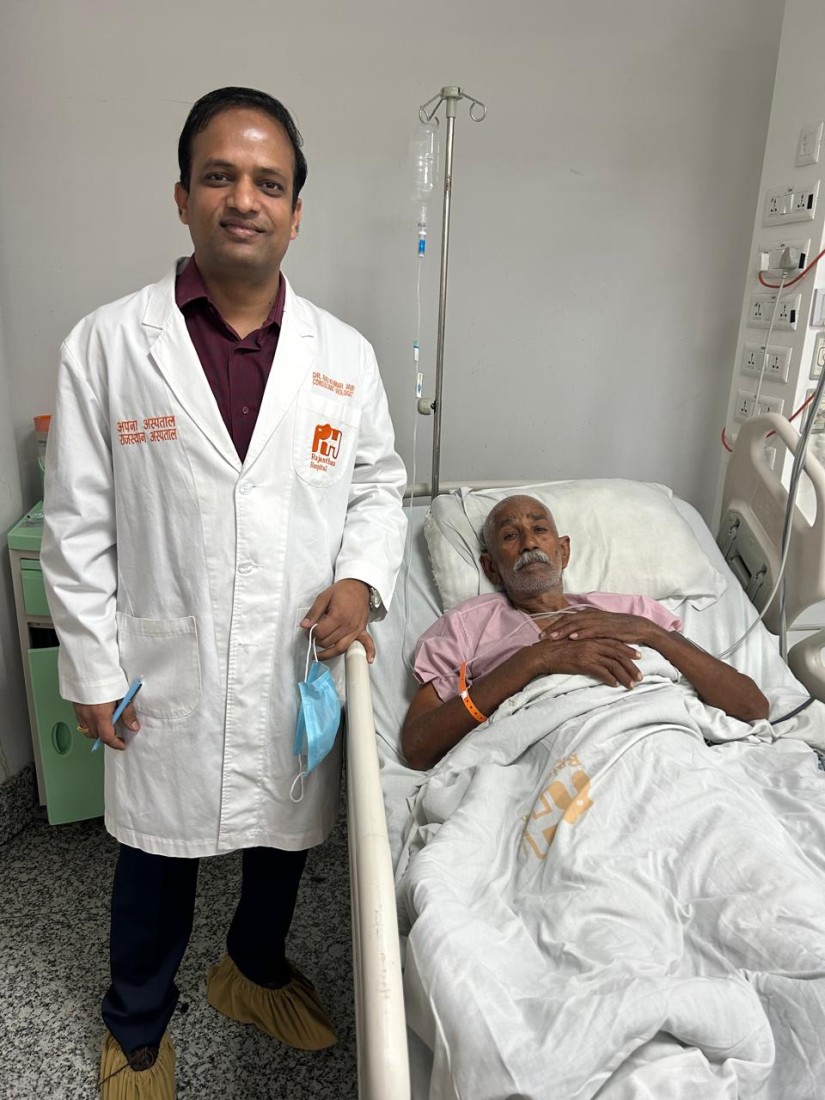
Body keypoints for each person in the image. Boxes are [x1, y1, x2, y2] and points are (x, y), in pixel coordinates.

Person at [40, 87, 406, 1099]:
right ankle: (137, 1026)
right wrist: (91, 666)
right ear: (183, 196)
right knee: (155, 857)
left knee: (283, 841)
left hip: (295, 653)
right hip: (166, 659)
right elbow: (76, 522)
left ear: (296, 212)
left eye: (268, 182)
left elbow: (378, 484)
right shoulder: (108, 345)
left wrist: (361, 578)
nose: (245, 198)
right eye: (220, 176)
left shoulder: (344, 356)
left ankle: (251, 970)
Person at [402, 494, 768, 770]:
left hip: (666, 750)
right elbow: (418, 747)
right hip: (560, 764)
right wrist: (533, 661)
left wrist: (649, 632)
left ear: (563, 551)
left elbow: (751, 705)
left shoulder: (632, 612)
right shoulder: (468, 625)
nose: (529, 543)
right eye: (511, 536)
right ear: (491, 568)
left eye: (539, 530)